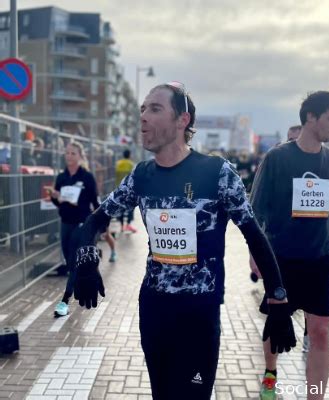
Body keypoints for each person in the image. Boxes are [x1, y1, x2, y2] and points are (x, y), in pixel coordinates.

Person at [71, 82, 296, 400]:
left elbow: (254, 235)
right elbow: (94, 221)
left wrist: (278, 300)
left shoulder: (216, 172)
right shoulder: (142, 175)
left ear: (183, 120)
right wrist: (85, 261)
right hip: (155, 308)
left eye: (155, 108)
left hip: (198, 313)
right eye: (143, 109)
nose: (144, 117)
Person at [250, 91, 329, 400]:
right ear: (311, 117)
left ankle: (315, 396)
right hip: (281, 259)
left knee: (320, 331)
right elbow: (256, 210)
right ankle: (270, 373)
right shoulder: (278, 158)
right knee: (277, 322)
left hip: (320, 260)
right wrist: (257, 255)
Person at [50, 142, 101, 316]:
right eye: (67, 153)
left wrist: (99, 225)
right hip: (65, 223)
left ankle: (64, 301)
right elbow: (58, 202)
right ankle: (80, 281)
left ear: (80, 156)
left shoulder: (87, 177)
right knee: (70, 261)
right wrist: (55, 197)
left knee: (72, 261)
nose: (69, 156)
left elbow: (95, 202)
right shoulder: (62, 177)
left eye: (73, 153)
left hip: (82, 224)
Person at [115, 149, 137, 233]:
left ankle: (121, 226)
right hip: (129, 190)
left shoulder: (118, 164)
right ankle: (128, 225)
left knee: (120, 207)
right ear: (130, 155)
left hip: (119, 188)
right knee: (130, 207)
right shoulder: (131, 164)